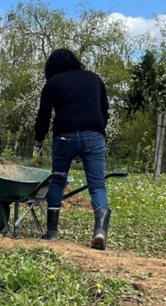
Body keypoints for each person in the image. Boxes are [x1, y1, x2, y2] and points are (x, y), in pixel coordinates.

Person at [34, 48, 111, 250]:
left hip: (64, 135)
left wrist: (38, 142)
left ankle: (51, 233)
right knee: (97, 184)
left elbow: (43, 117)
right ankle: (100, 232)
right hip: (94, 135)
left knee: (58, 181)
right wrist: (94, 135)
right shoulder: (95, 79)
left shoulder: (52, 84)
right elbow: (105, 113)